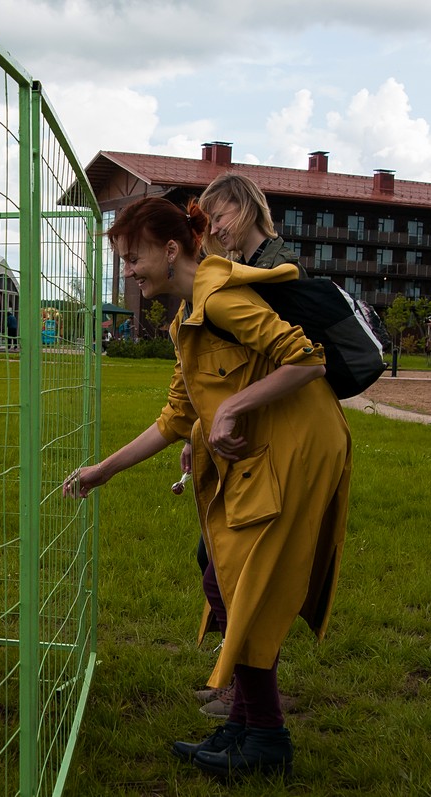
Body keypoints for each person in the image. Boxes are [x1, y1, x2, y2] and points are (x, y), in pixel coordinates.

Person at [63, 197, 351, 781]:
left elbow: (306, 360)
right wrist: (105, 471)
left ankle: (265, 738)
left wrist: (230, 412)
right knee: (224, 577)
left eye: (133, 257)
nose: (128, 271)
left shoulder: (220, 297)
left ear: (171, 250)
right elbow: (175, 416)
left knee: (246, 584)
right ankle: (247, 727)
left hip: (298, 449)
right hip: (264, 451)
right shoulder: (186, 320)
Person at [192, 171, 311, 718]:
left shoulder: (273, 270)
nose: (215, 230)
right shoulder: (252, 268)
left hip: (277, 434)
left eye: (219, 217)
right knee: (215, 559)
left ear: (243, 209)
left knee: (242, 570)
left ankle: (252, 693)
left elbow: (290, 360)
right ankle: (240, 683)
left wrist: (233, 411)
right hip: (252, 431)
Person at [199, 172, 307, 279]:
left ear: (245, 207)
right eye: (210, 224)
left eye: (218, 218)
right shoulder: (237, 270)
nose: (213, 231)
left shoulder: (285, 269)